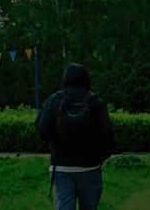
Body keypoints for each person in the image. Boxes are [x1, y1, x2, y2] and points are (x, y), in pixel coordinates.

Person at [35, 63, 115, 209]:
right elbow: (108, 136)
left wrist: (54, 145)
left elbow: (41, 128)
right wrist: (100, 158)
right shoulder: (96, 102)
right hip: (90, 167)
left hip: (61, 167)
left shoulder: (54, 100)